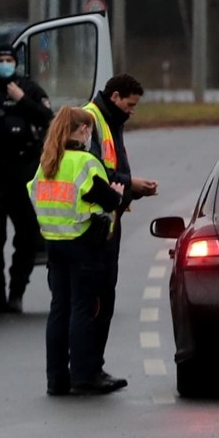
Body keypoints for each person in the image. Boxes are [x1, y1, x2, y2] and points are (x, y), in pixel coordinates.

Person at [27, 107, 127, 396]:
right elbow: (108, 199)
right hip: (83, 243)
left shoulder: (48, 161)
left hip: (54, 243)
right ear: (83, 131)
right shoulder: (85, 162)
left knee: (59, 308)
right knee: (83, 309)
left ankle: (56, 379)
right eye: (89, 131)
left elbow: (33, 193)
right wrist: (117, 193)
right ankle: (84, 375)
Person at [83, 74, 158, 370]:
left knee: (103, 298)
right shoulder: (91, 121)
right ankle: (88, 368)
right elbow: (94, 177)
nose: (132, 110)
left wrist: (131, 191)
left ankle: (92, 366)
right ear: (114, 97)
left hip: (108, 219)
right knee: (96, 300)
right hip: (94, 224)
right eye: (130, 104)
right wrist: (131, 184)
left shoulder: (110, 120)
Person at [0, 45, 54, 313]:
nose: (5, 63)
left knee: (27, 237)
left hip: (24, 172)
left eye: (9, 60)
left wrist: (22, 99)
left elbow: (49, 119)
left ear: (16, 63)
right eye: (0, 60)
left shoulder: (29, 89)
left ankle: (16, 292)